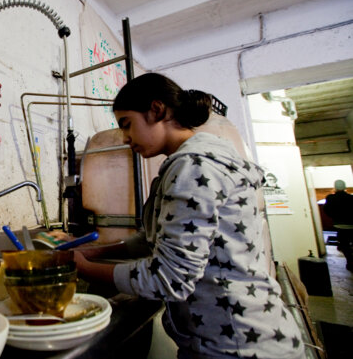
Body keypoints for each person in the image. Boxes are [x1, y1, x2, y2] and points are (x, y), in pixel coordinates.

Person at [72, 73, 306, 358]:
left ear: (157, 110)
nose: (125, 138)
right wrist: (93, 252)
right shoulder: (203, 159)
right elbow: (153, 239)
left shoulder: (193, 168)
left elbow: (169, 278)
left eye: (127, 124)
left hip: (237, 344)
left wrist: (82, 268)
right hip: (239, 334)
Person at [324, 179, 353, 270]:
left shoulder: (330, 198)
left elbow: (326, 210)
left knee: (344, 245)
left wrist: (334, 217)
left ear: (335, 187)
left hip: (339, 224)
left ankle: (350, 261)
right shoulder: (351, 198)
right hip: (351, 224)